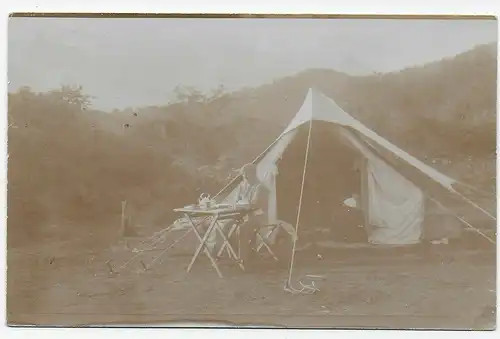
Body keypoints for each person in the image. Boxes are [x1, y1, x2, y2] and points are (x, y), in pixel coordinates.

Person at [235, 163, 270, 268]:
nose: (245, 177)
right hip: (245, 216)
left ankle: (244, 260)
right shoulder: (242, 186)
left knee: (242, 228)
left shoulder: (261, 187)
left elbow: (255, 204)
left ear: (254, 174)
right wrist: (241, 204)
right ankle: (234, 255)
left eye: (247, 174)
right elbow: (236, 201)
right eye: (243, 175)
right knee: (227, 225)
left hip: (259, 217)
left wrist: (243, 205)